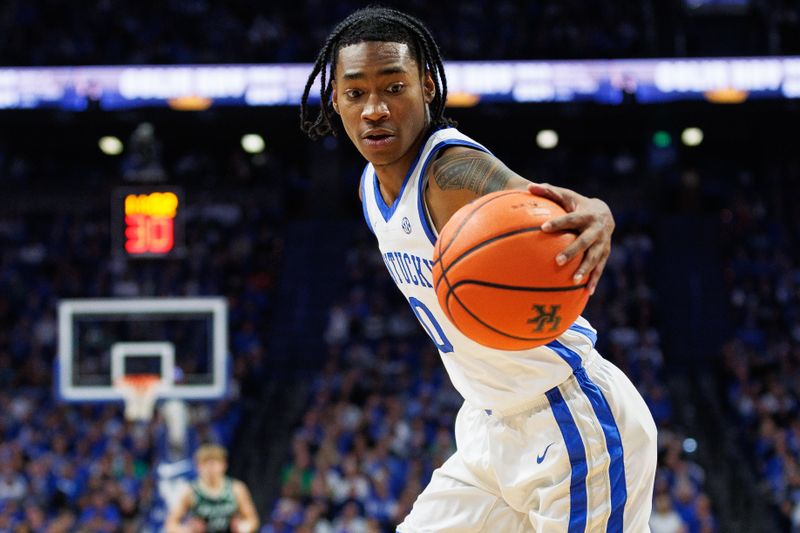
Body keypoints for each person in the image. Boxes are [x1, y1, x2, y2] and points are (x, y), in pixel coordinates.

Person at [300, 7, 657, 532]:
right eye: (355, 94)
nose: (374, 109)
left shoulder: (449, 171)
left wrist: (598, 211)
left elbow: (546, 208)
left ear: (426, 86)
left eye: (393, 88)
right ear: (336, 101)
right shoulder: (368, 190)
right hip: (489, 427)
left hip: (568, 421)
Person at [166, 444, 259, 533]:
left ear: (224, 465)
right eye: (205, 463)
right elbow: (171, 524)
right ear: (198, 466)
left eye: (215, 463)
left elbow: (252, 519)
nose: (210, 468)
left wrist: (243, 528)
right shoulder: (190, 491)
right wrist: (186, 531)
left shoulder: (236, 488)